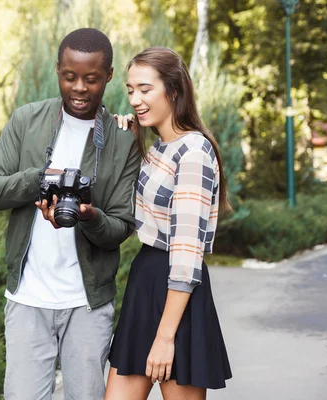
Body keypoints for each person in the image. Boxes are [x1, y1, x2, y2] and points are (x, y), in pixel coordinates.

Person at [0, 28, 140, 399]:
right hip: (28, 298)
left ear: (109, 75)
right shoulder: (26, 120)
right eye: (70, 76)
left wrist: (88, 216)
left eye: (91, 78)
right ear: (58, 71)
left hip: (87, 303)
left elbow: (121, 228)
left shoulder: (124, 138)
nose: (79, 88)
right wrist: (37, 180)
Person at [105, 47, 233, 400]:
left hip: (178, 291)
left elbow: (188, 251)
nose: (135, 99)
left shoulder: (193, 152)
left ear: (173, 91)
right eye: (131, 90)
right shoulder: (160, 146)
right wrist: (125, 133)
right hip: (146, 280)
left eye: (145, 89)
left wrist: (165, 338)